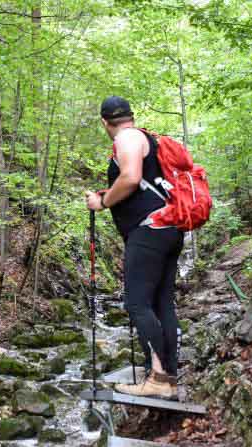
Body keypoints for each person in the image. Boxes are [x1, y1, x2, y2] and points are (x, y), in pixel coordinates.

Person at [85, 96, 182, 401]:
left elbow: (130, 178)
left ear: (105, 122)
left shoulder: (127, 138)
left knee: (138, 304)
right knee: (162, 303)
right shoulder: (146, 139)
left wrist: (102, 201)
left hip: (148, 231)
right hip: (168, 228)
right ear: (131, 115)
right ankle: (167, 377)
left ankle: (157, 378)